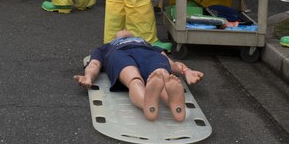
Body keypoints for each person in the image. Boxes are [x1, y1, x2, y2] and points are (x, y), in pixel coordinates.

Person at [75, 30, 203, 122]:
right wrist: (89, 76)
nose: (124, 30)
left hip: (147, 54)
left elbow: (171, 63)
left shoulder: (150, 45)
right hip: (120, 54)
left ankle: (170, 102)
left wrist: (187, 71)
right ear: (114, 38)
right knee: (134, 79)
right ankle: (147, 102)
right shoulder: (106, 47)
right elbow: (94, 64)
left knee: (162, 74)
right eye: (121, 31)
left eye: (127, 30)